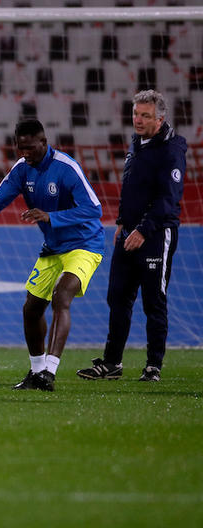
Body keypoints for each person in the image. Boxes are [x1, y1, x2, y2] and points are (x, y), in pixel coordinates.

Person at [0, 119, 104, 391]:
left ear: (44, 142)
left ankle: (50, 371)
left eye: (30, 147)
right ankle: (36, 372)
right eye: (20, 148)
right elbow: (0, 196)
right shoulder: (21, 168)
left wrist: (51, 216)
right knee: (31, 308)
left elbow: (94, 209)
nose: (24, 153)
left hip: (84, 244)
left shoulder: (67, 168)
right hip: (53, 248)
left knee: (61, 296)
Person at [77, 90, 187, 382]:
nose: (137, 120)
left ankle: (154, 365)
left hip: (155, 235)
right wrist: (124, 222)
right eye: (135, 114)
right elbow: (132, 188)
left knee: (153, 301)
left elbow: (168, 199)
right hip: (128, 233)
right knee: (118, 298)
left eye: (145, 115)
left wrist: (143, 229)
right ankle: (112, 363)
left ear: (160, 118)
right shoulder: (137, 143)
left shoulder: (171, 150)